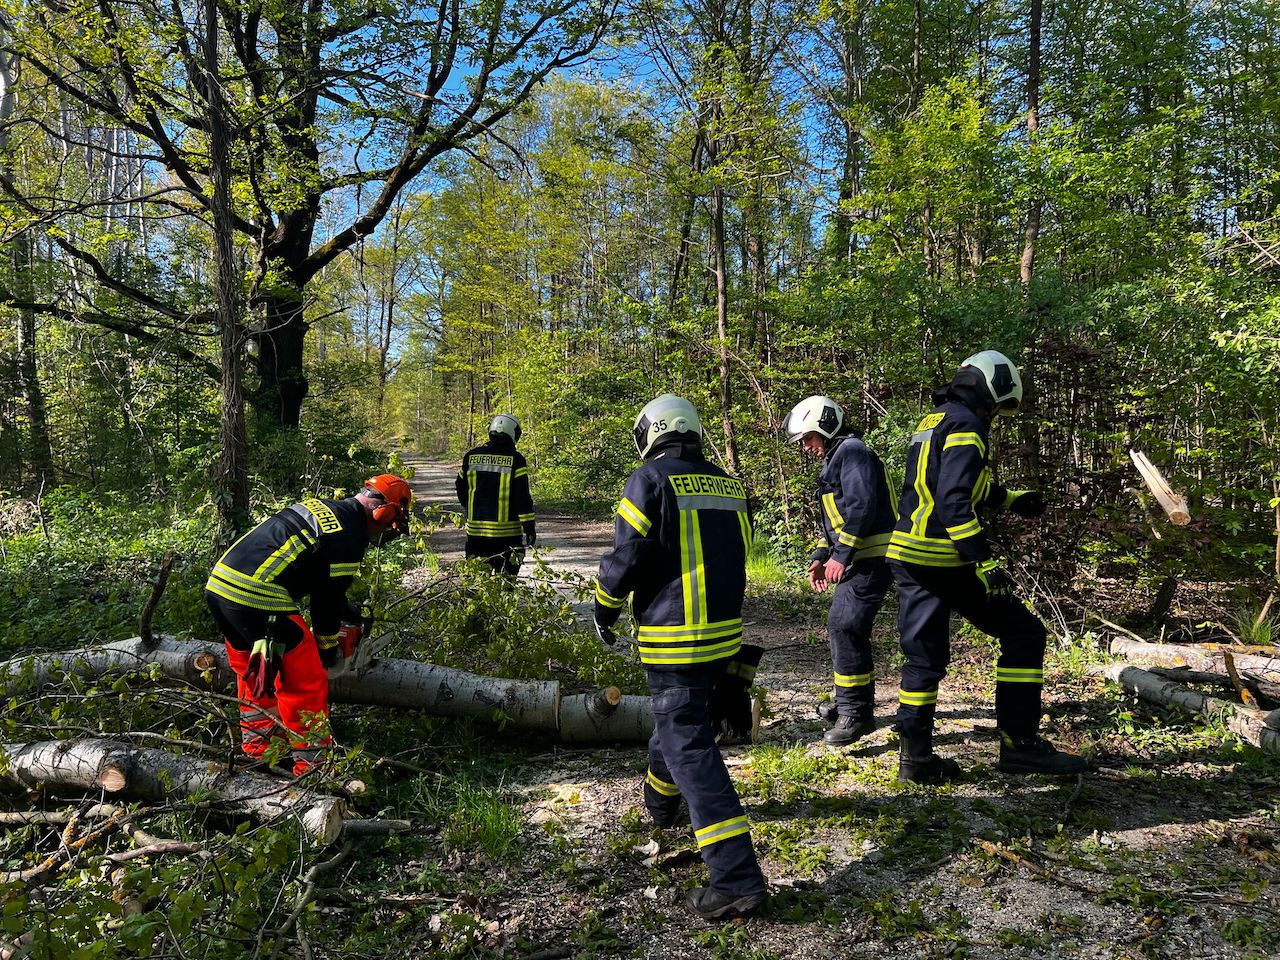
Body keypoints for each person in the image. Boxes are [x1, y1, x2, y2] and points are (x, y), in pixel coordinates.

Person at [593, 394, 768, 922]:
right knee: (677, 723)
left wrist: (604, 607)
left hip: (676, 638)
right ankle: (659, 804)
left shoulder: (648, 481)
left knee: (688, 741)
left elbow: (628, 555)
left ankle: (736, 878)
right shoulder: (729, 484)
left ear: (653, 431)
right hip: (722, 637)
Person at [887, 351, 1086, 783]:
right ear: (991, 388)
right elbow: (954, 503)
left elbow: (948, 483)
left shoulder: (934, 419)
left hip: (907, 554)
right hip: (944, 558)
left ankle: (915, 760)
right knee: (1024, 632)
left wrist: (1011, 499)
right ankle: (1020, 745)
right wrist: (986, 561)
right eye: (997, 406)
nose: (995, 414)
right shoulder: (969, 424)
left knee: (922, 659)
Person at [204, 474, 413, 775]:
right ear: (385, 511)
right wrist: (326, 647)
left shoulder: (328, 511)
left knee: (257, 671)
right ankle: (314, 769)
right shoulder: (350, 536)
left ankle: (260, 753)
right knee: (305, 681)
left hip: (221, 587)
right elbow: (325, 603)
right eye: (388, 524)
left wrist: (350, 611)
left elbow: (325, 586)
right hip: (257, 594)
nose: (383, 532)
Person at [782, 396, 896, 747]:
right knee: (848, 628)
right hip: (861, 557)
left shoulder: (852, 452)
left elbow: (862, 507)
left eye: (808, 438)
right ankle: (853, 704)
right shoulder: (838, 456)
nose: (805, 447)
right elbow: (837, 518)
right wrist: (821, 554)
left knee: (844, 626)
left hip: (872, 558)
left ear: (827, 425)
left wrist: (841, 556)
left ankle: (855, 714)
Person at [456, 414, 536, 577]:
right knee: (506, 584)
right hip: (508, 537)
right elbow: (522, 497)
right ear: (513, 433)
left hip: (476, 535)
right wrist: (529, 527)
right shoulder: (516, 460)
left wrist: (470, 507)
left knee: (477, 584)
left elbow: (460, 486)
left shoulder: (471, 456)